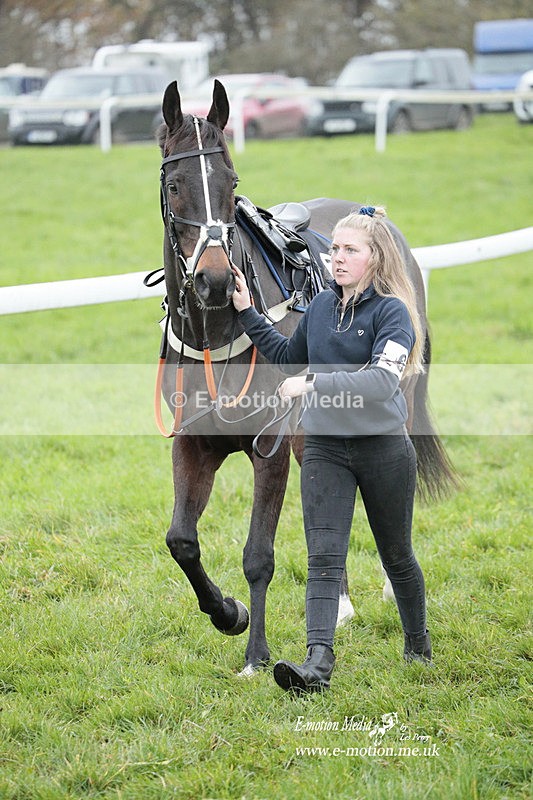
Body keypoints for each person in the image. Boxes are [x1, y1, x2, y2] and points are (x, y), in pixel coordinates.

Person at [231, 206, 432, 694]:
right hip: (324, 449)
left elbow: (381, 382)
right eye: (335, 249)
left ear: (375, 258)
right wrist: (248, 313)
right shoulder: (321, 307)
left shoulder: (393, 313)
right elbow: (288, 357)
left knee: (397, 556)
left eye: (350, 250)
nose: (337, 258)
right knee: (324, 560)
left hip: (383, 449)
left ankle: (417, 643)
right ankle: (316, 664)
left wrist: (313, 383)